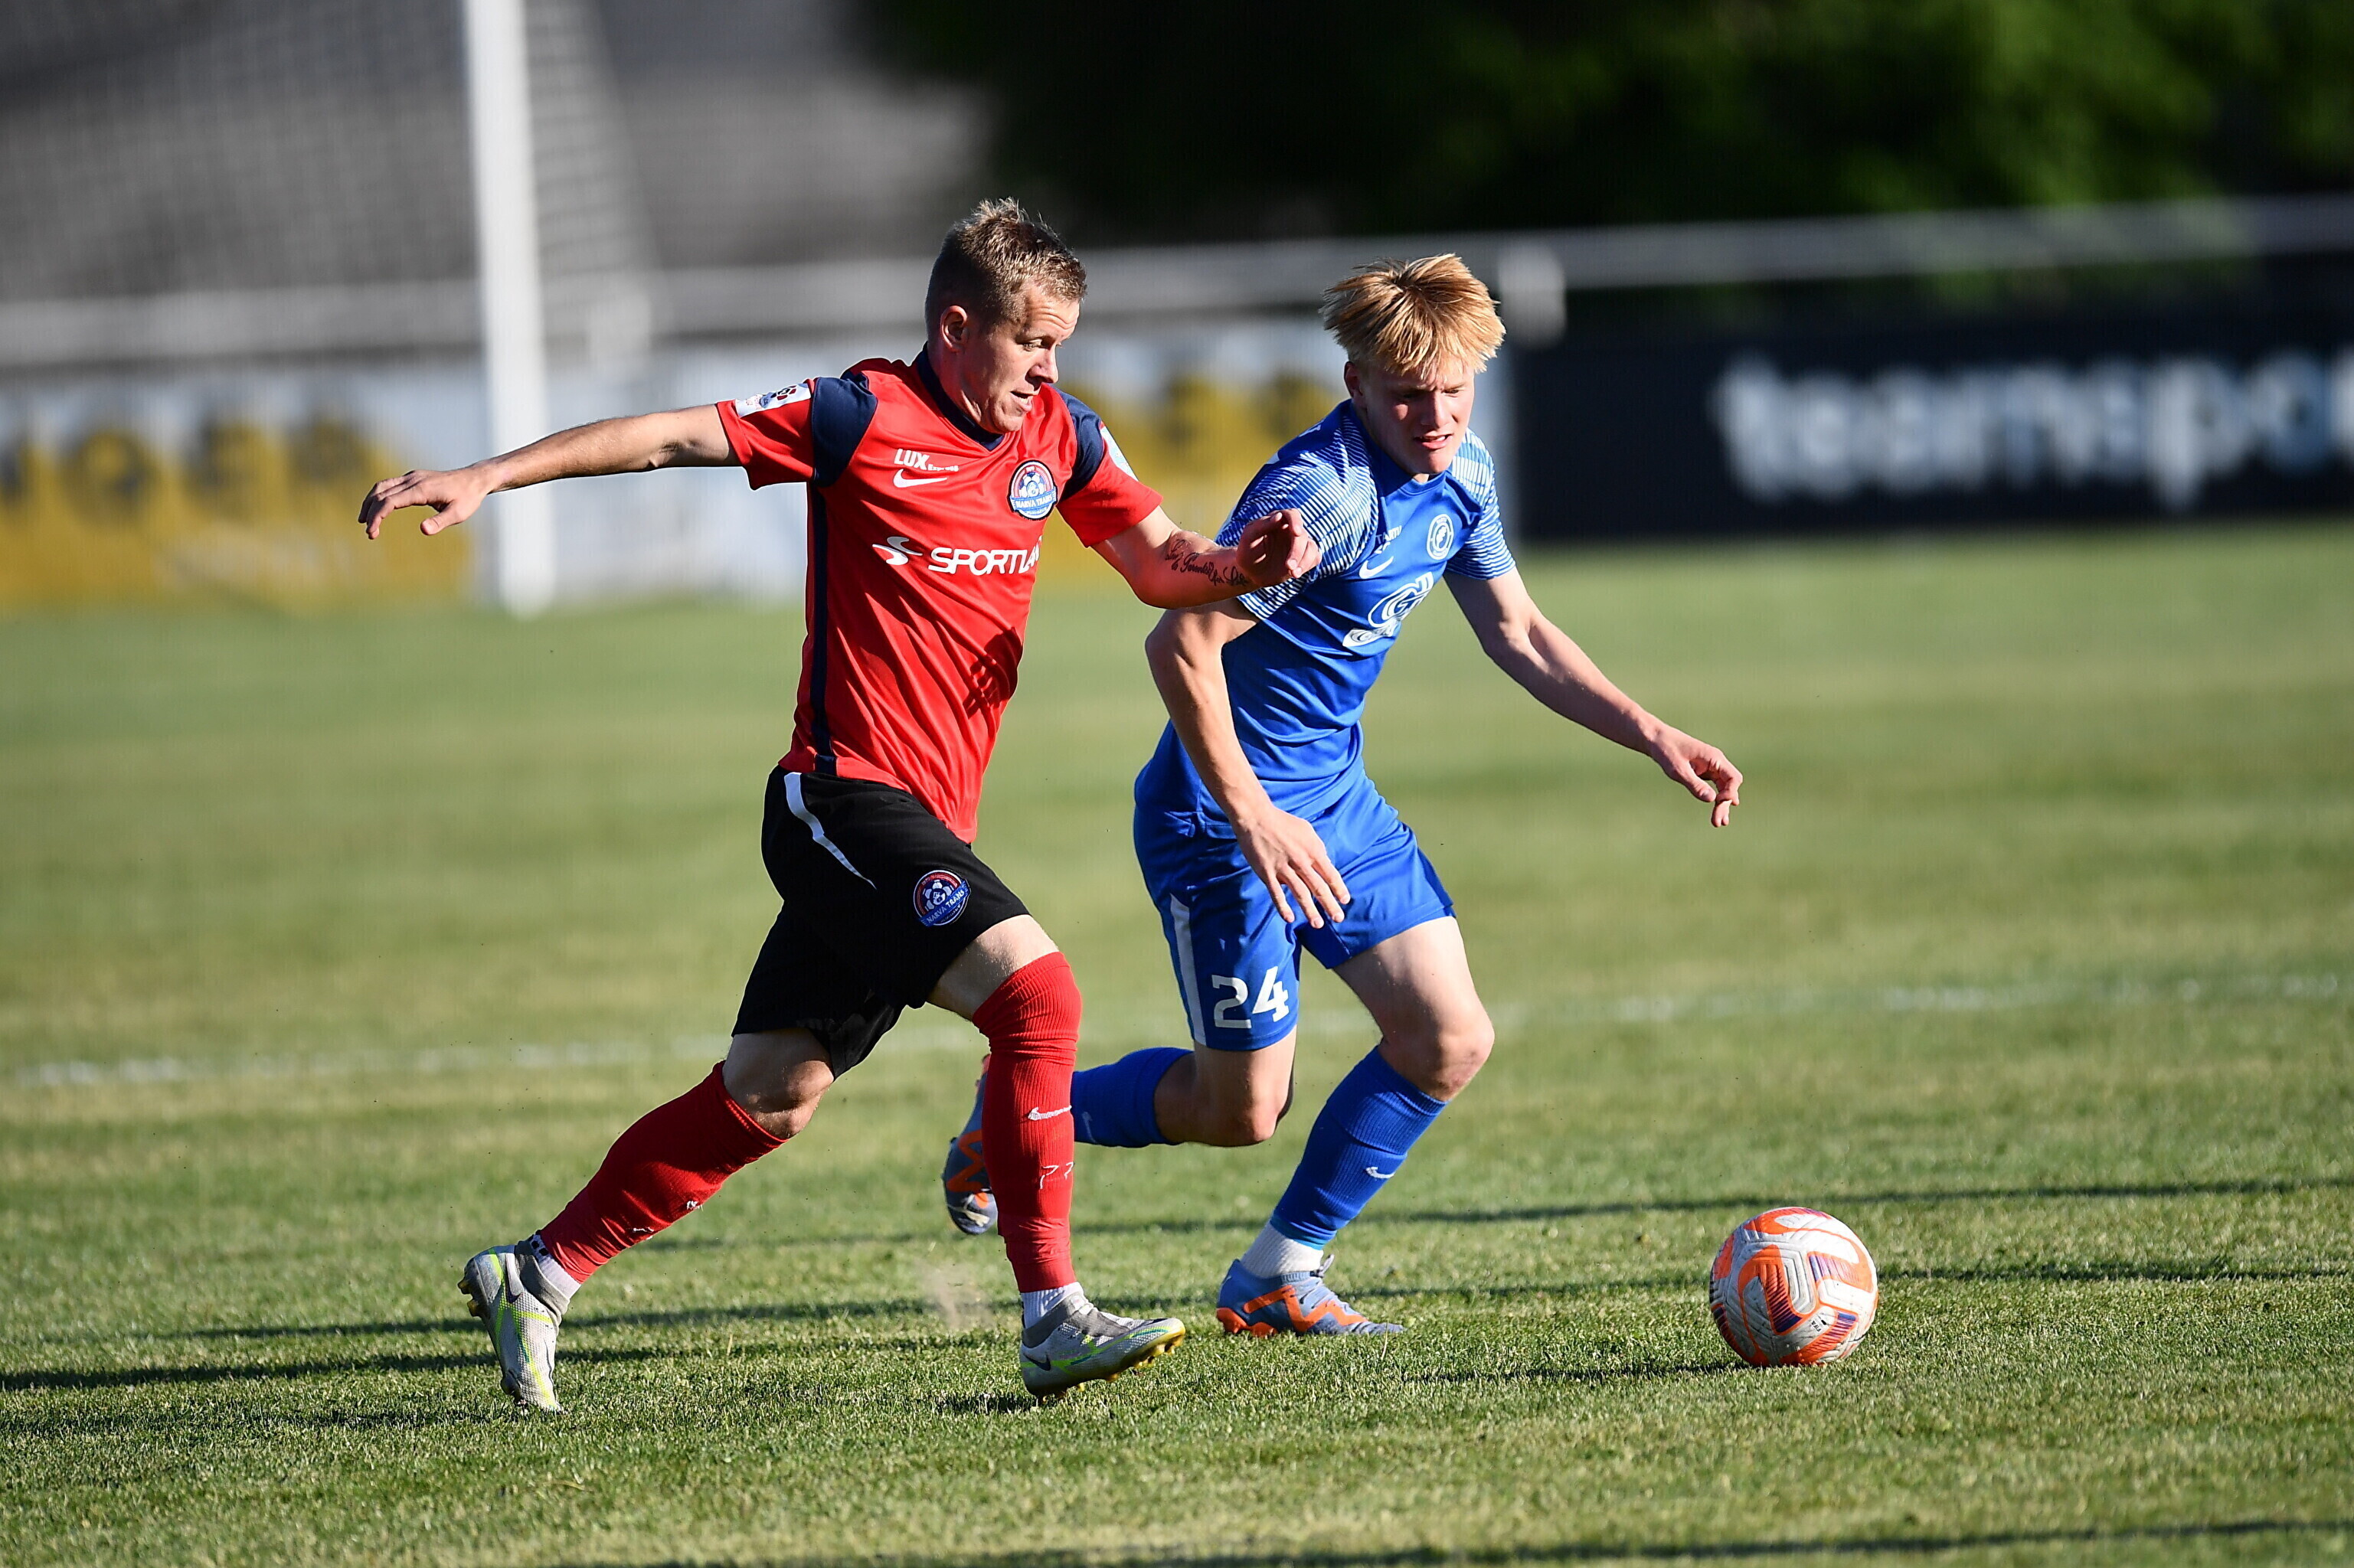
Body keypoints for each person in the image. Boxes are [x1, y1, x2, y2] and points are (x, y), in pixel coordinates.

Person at [357, 200, 1317, 1406]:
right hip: (840, 800)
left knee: (771, 1094)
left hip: (924, 825)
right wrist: (490, 474)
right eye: (1031, 343)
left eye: (1060, 345)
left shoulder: (1061, 436)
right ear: (957, 327)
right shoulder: (861, 414)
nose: (1048, 369)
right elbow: (669, 439)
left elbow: (1156, 560)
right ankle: (1051, 1318)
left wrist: (1238, 569)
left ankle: (536, 1273)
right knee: (1039, 999)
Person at [940, 254, 1741, 1335]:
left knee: (1446, 1039)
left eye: (1454, 390)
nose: (1436, 416)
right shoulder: (1322, 494)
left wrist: (1651, 734)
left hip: (1334, 802)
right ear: (1356, 385)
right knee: (1239, 1111)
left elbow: (1516, 631)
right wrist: (1253, 818)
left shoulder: (1462, 474)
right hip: (1219, 820)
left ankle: (1279, 1274)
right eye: (1408, 395)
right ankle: (1009, 1119)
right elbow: (1180, 648)